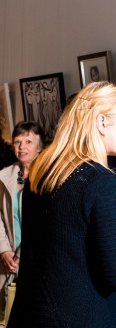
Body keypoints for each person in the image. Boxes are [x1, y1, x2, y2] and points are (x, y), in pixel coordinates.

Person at [7, 82, 116, 328]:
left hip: (30, 315)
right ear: (102, 123)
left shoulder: (41, 171)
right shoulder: (103, 182)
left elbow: (67, 246)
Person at [0, 121, 45, 325]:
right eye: (17, 142)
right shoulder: (4, 176)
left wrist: (21, 252)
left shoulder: (49, 177)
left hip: (37, 260)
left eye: (28, 141)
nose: (21, 147)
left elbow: (45, 222)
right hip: (8, 262)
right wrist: (4, 251)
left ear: (40, 147)